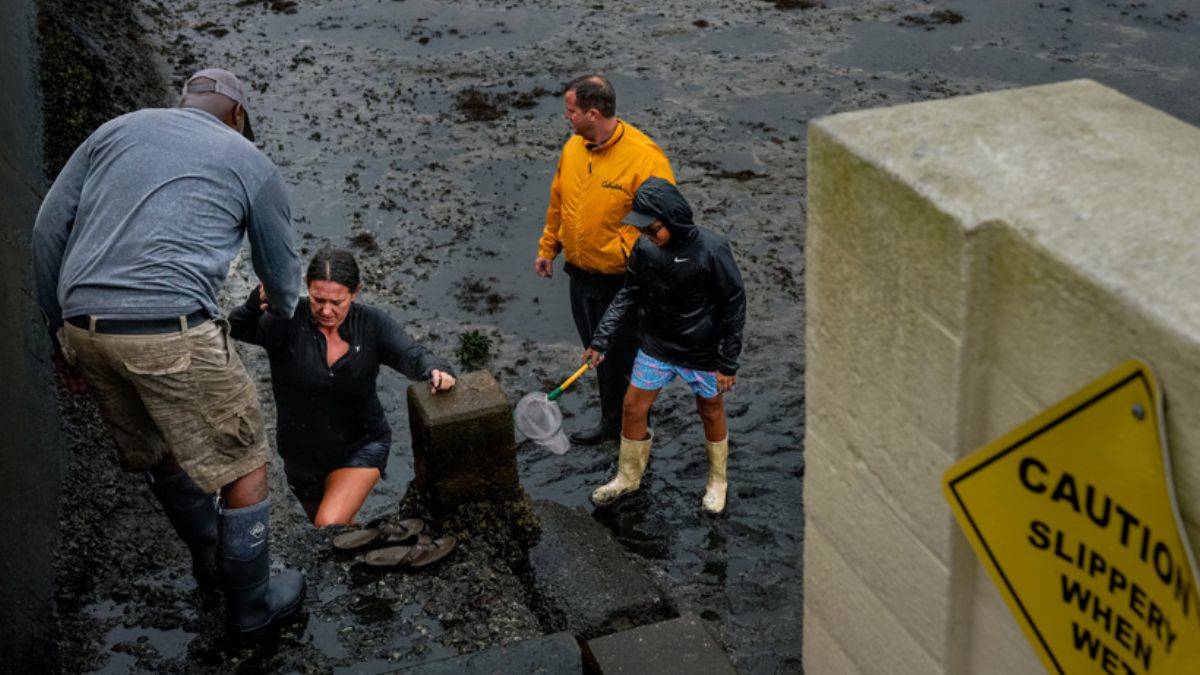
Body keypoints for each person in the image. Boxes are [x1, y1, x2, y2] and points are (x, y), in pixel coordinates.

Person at [32, 68, 305, 635]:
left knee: (161, 446)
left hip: (87, 328)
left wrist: (59, 331)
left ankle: (210, 562)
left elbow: (46, 230)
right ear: (237, 116)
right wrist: (281, 308)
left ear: (182, 103)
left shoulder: (114, 131)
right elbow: (280, 278)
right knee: (244, 458)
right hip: (170, 331)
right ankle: (251, 605)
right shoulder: (248, 158)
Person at [229, 248, 457, 528]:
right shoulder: (287, 321)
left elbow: (412, 354)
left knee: (329, 523)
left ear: (355, 292)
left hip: (361, 445)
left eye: (337, 302)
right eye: (318, 300)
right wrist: (256, 302)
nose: (326, 311)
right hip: (301, 458)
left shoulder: (372, 324)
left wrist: (436, 369)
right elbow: (237, 328)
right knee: (332, 535)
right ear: (307, 288)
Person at [583, 178, 746, 514]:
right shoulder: (644, 249)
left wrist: (727, 362)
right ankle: (628, 476)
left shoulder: (712, 250)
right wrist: (601, 340)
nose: (647, 235)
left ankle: (718, 481)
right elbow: (628, 293)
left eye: (653, 228)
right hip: (656, 345)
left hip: (702, 351)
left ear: (674, 219)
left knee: (710, 410)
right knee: (632, 406)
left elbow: (734, 302)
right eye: (643, 229)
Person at [534, 74, 675, 445]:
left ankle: (637, 433)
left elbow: (665, 226)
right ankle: (611, 423)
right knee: (597, 354)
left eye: (571, 111)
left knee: (628, 359)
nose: (567, 117)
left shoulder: (645, 159)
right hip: (581, 276)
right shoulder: (573, 149)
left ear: (592, 113)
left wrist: (629, 258)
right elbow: (558, 201)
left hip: (624, 282)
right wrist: (549, 247)